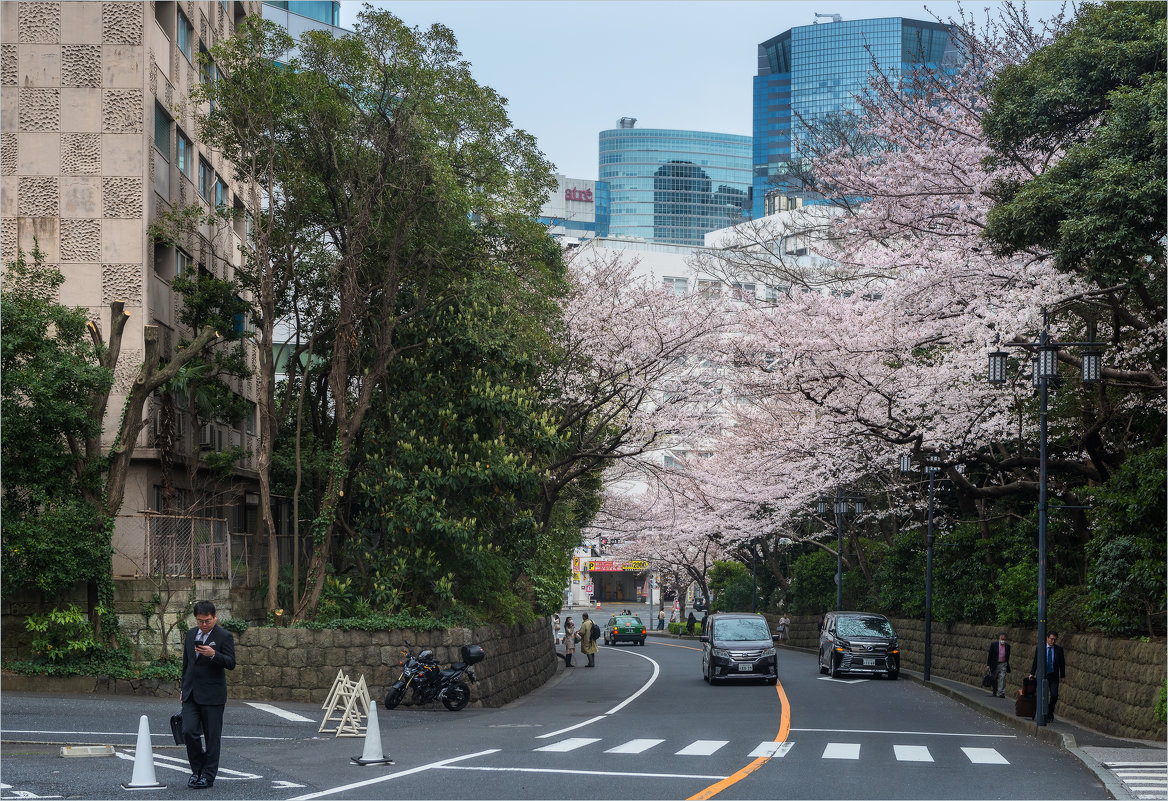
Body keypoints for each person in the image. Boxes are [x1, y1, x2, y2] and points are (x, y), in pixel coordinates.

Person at [181, 600, 236, 790]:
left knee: (212, 737)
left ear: (215, 617)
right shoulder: (190, 635)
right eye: (200, 621)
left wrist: (213, 654)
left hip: (213, 695)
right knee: (188, 731)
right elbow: (186, 665)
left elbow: (231, 663)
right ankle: (197, 770)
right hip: (191, 693)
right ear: (195, 619)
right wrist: (183, 689)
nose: (204, 625)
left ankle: (208, 776)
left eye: (208, 621)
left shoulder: (224, 636)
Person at [1029, 631, 1066, 722]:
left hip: (1053, 675)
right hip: (1042, 675)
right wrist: (1032, 673)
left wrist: (1063, 675)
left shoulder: (1059, 649)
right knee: (1041, 695)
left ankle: (1050, 711)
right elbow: (1036, 661)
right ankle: (1041, 713)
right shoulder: (1040, 648)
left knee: (1054, 695)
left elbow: (1062, 663)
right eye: (1051, 639)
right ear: (1047, 638)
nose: (1053, 641)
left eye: (1054, 640)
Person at [985, 632, 1011, 698]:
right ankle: (994, 690)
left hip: (1003, 663)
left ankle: (1001, 693)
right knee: (994, 678)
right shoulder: (994, 644)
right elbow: (990, 655)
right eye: (1002, 639)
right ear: (999, 638)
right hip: (995, 663)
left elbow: (1008, 656)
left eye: (1004, 639)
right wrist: (988, 665)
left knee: (1003, 677)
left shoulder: (1007, 646)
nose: (1003, 641)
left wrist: (1007, 664)